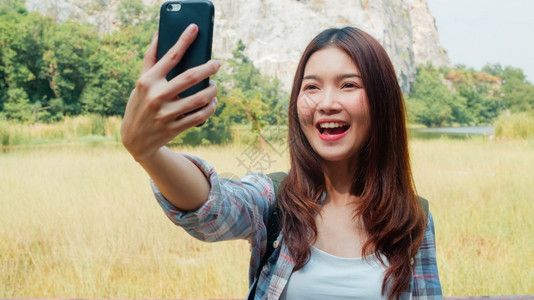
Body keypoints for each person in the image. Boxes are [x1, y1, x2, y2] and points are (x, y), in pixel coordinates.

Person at [121, 24, 442, 300]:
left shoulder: (413, 219)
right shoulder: (275, 199)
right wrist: (149, 153)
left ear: (382, 102)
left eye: (349, 85)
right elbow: (212, 208)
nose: (326, 103)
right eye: (312, 87)